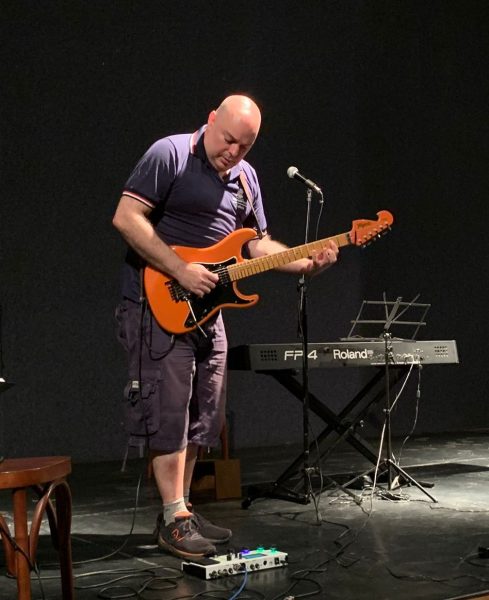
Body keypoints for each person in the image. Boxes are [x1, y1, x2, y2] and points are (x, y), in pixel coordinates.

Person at [113, 94, 339, 559]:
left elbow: (255, 246)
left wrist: (304, 264)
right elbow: (126, 218)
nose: (233, 152)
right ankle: (172, 516)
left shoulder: (246, 179)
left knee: (207, 415)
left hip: (208, 312)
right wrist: (179, 269)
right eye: (228, 140)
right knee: (169, 413)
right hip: (158, 304)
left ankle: (182, 511)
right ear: (211, 119)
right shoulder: (170, 154)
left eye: (245, 146)